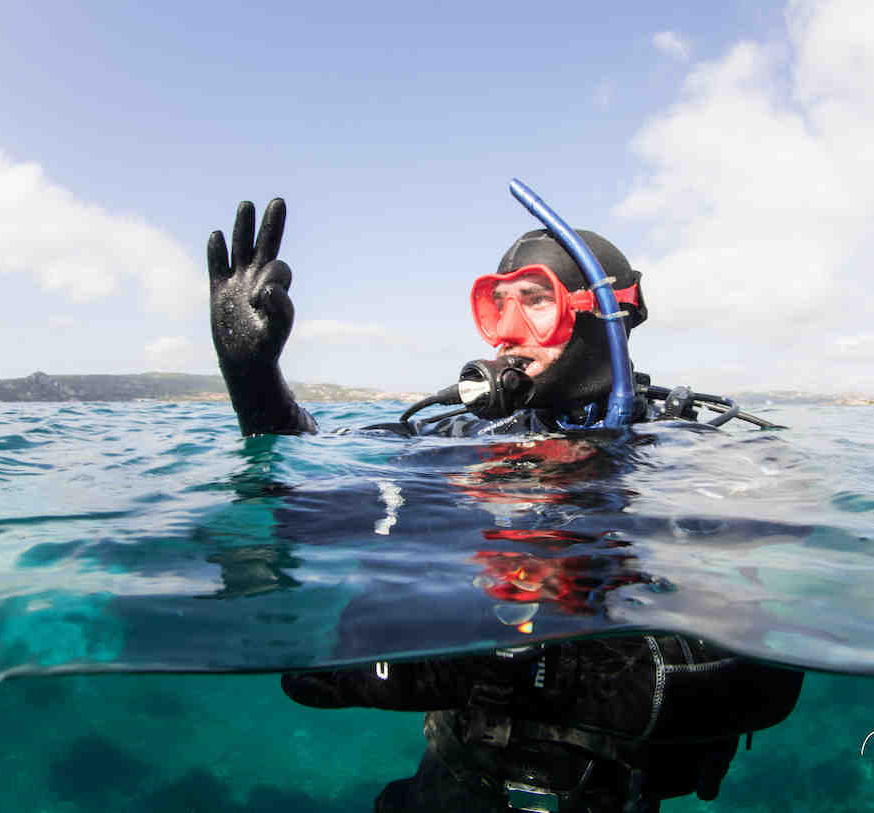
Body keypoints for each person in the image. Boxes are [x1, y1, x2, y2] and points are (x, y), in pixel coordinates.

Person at [207, 196, 802, 811]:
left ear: (607, 311)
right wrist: (255, 382)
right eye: (497, 304)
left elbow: (769, 678)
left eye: (536, 301)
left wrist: (521, 668)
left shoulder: (704, 458)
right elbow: (317, 476)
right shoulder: (467, 437)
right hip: (456, 778)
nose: (509, 334)